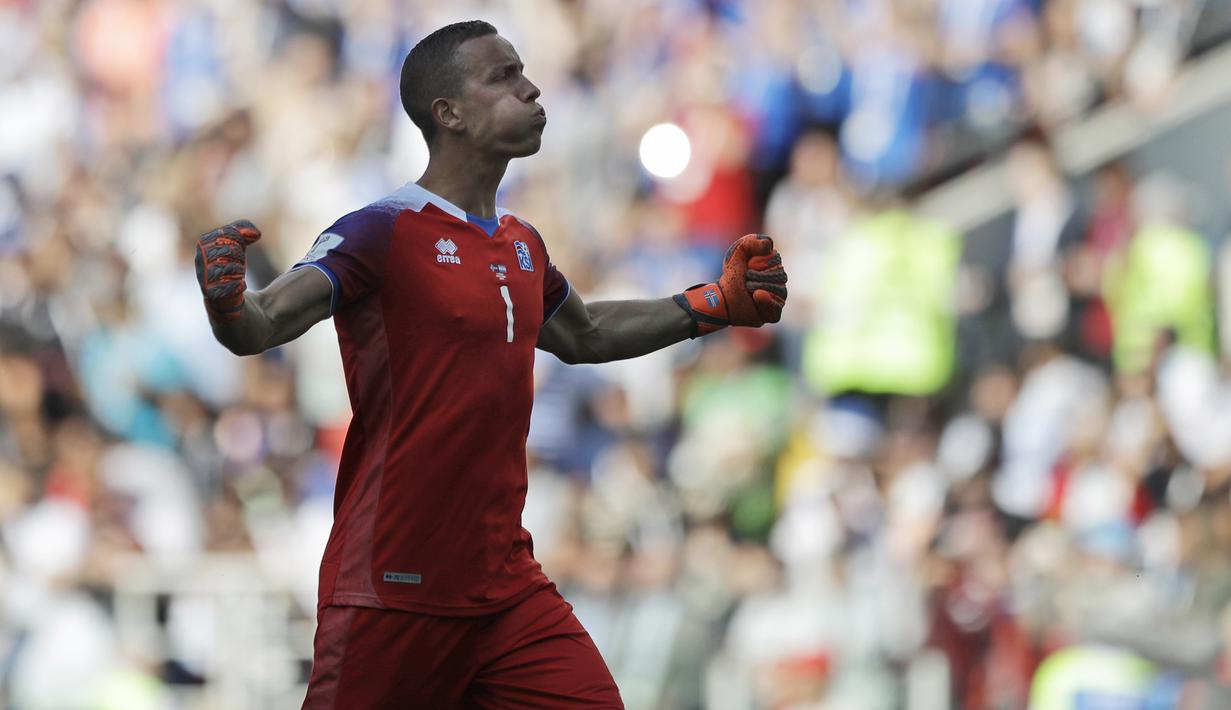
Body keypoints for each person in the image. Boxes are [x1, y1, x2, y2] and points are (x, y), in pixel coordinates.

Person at [193, 20, 787, 709]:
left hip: (504, 585)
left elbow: (586, 333)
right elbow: (262, 323)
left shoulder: (521, 243)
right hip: (395, 584)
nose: (531, 88)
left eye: (524, 72)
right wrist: (228, 305)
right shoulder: (380, 230)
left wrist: (713, 304)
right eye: (502, 77)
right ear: (448, 113)